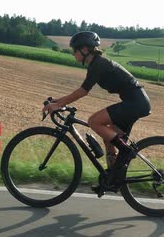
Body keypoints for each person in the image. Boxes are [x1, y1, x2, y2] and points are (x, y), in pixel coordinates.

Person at [42, 31, 151, 188]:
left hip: (136, 103)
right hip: (135, 102)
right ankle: (113, 178)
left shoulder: (98, 64)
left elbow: (83, 91)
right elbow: (81, 90)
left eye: (75, 50)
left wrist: (59, 105)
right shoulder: (96, 64)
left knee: (94, 121)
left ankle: (126, 152)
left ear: (85, 49)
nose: (73, 53)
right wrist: (58, 101)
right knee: (109, 137)